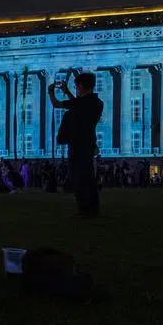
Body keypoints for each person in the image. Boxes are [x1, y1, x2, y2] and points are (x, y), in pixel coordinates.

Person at [49, 72, 104, 218]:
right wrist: (67, 92)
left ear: (80, 86)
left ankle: (84, 210)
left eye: (76, 86)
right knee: (89, 178)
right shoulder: (97, 103)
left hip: (77, 144)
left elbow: (56, 104)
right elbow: (78, 106)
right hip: (89, 143)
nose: (76, 89)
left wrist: (50, 91)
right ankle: (93, 209)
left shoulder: (80, 103)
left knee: (79, 178)